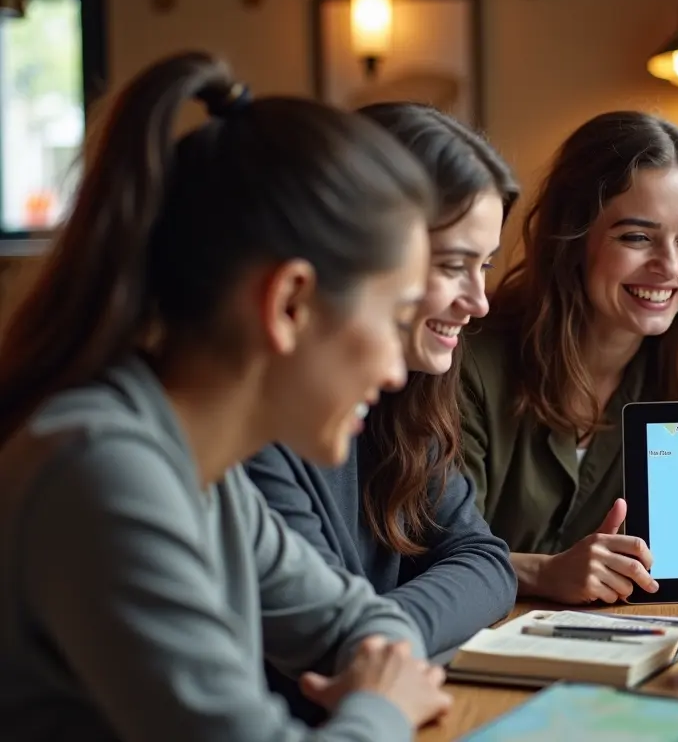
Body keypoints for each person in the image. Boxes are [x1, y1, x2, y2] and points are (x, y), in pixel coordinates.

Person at [0, 52, 453, 741]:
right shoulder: (103, 472)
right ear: (291, 304)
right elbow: (382, 678)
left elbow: (366, 621)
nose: (397, 371)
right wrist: (382, 709)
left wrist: (378, 686)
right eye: (394, 320)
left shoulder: (205, 476)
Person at [244, 102, 520, 721]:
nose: (479, 302)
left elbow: (485, 559)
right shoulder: (243, 439)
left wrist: (381, 648)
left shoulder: (405, 402)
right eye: (452, 266)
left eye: (486, 265)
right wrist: (382, 663)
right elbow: (332, 650)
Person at [460, 111, 678, 604]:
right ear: (573, 238)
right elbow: (436, 552)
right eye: (636, 237)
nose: (669, 266)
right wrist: (542, 573)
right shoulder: (470, 364)